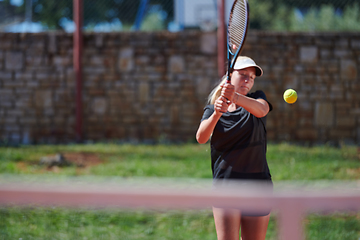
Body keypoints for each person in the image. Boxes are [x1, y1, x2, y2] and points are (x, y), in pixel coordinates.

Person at [196, 56, 273, 240]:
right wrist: (217, 113)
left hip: (258, 186)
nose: (248, 80)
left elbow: (262, 110)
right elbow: (201, 137)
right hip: (226, 187)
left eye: (252, 78)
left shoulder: (257, 99)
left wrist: (235, 97)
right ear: (230, 76)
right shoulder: (212, 109)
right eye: (243, 75)